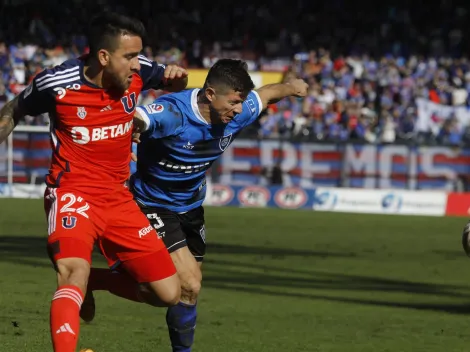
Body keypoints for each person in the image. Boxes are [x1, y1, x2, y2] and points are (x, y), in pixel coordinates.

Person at [85, 58, 308, 351]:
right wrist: (130, 131)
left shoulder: (238, 113)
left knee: (184, 293)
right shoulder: (173, 112)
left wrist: (291, 87)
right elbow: (138, 118)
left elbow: (266, 95)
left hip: (191, 208)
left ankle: (93, 280)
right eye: (234, 101)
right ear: (211, 94)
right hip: (152, 204)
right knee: (188, 284)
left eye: (241, 102)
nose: (239, 109)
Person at [0, 12, 189, 352]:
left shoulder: (141, 70)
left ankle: (94, 283)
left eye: (138, 56)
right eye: (130, 57)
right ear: (103, 56)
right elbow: (16, 108)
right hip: (72, 193)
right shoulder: (56, 83)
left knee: (167, 293)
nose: (137, 65)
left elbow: (175, 84)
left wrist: (177, 78)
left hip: (119, 198)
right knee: (72, 272)